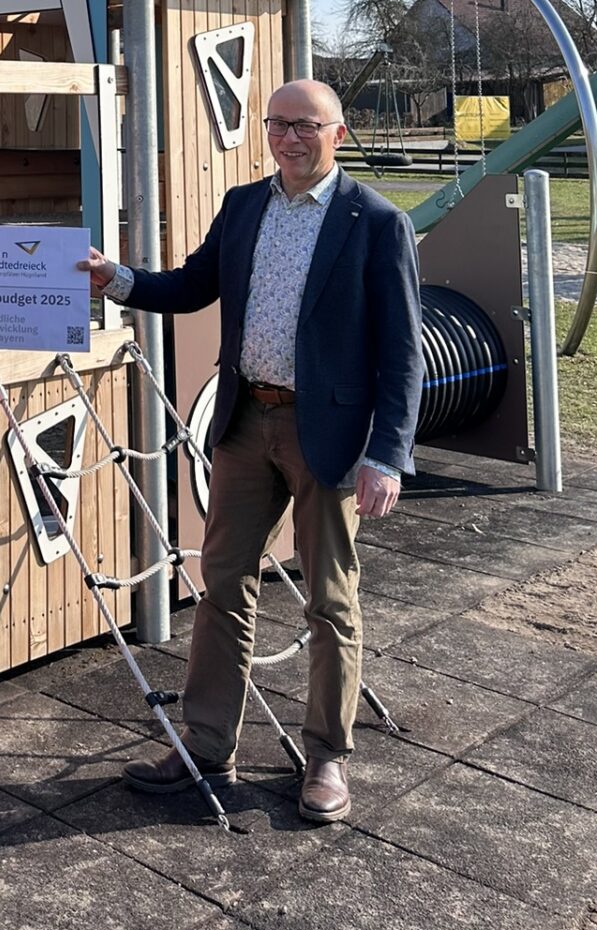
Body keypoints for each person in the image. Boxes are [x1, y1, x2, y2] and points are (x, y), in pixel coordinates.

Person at [80, 78, 422, 824]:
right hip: (243, 421)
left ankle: (326, 755)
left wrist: (387, 454)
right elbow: (193, 284)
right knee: (223, 585)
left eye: (306, 126)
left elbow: (403, 351)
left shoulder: (375, 221)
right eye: (278, 125)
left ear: (337, 133)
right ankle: (207, 744)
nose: (289, 139)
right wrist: (120, 281)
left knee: (330, 599)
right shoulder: (243, 206)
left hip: (327, 435)